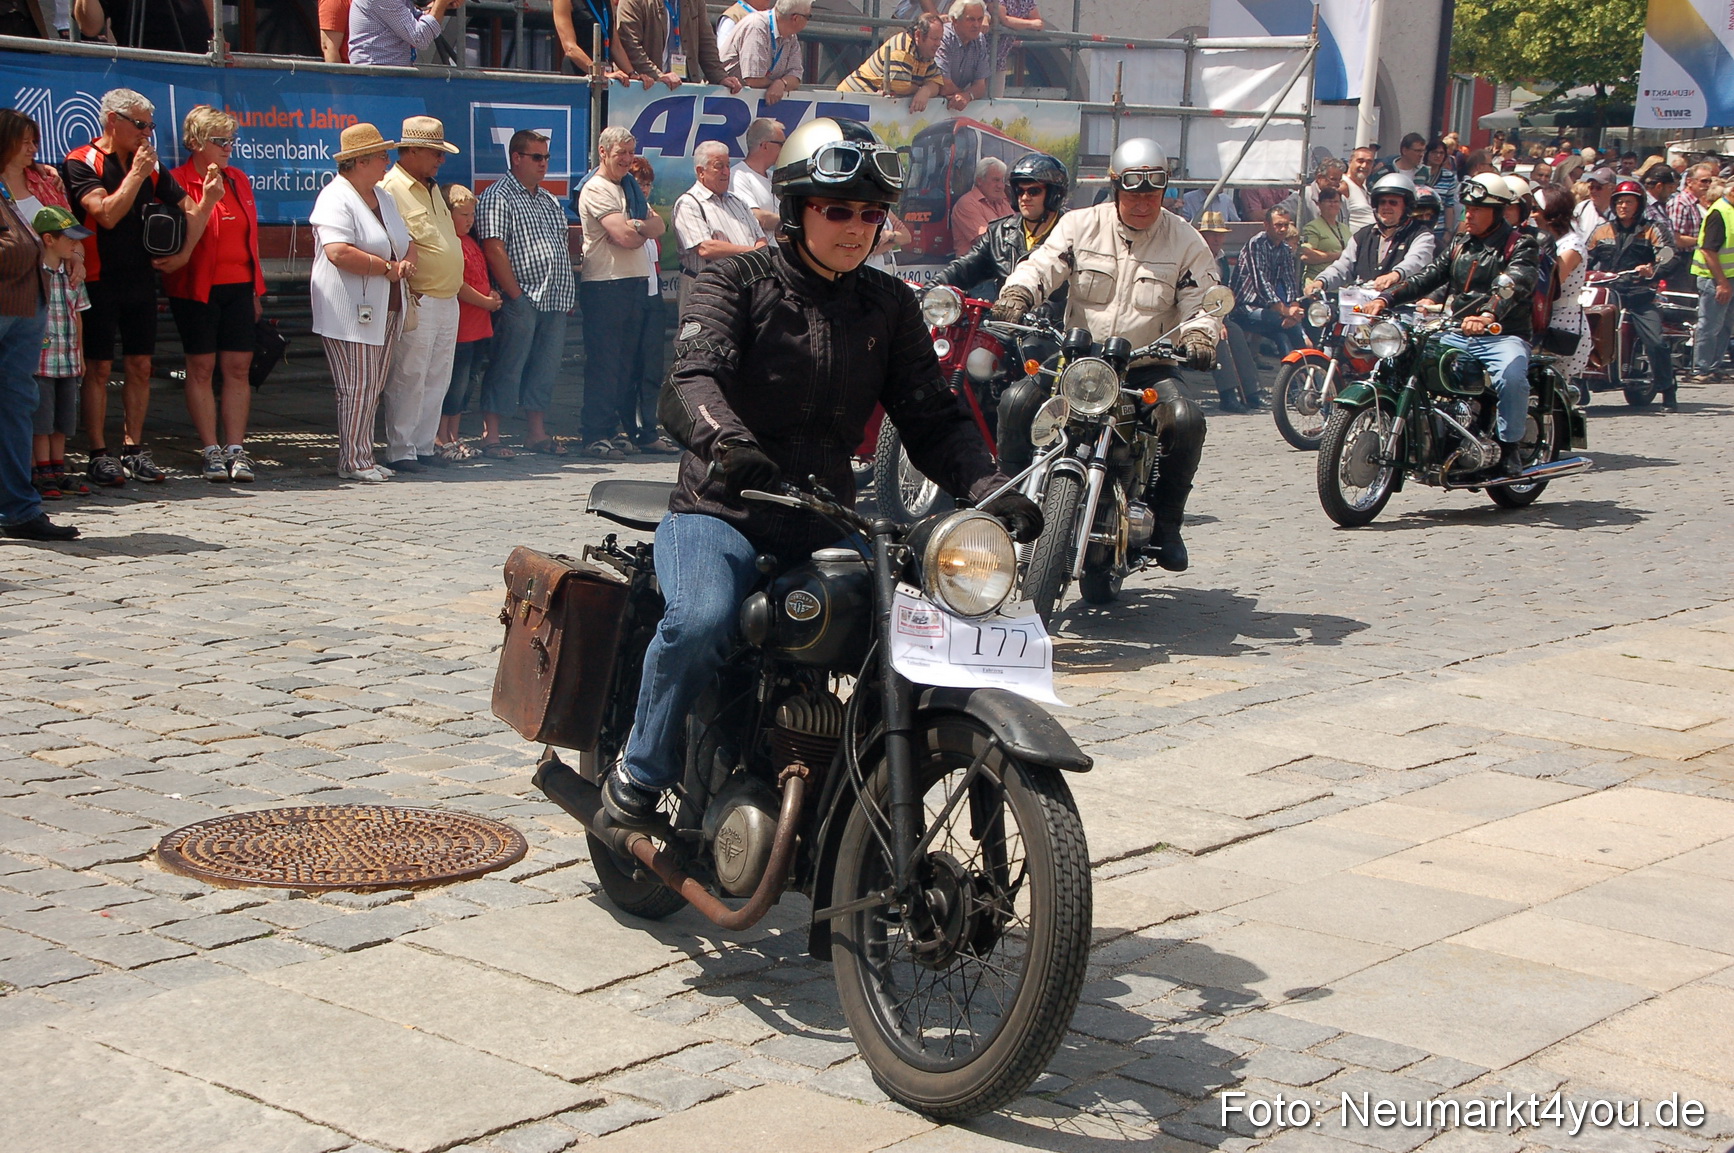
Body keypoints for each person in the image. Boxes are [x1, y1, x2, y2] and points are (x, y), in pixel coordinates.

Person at [599, 117, 1038, 826]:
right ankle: (640, 772)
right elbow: (689, 380)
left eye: (871, 213)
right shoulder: (734, 278)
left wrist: (990, 486)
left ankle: (862, 792)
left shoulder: (889, 304)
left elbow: (930, 415)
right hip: (723, 508)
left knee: (907, 634)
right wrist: (729, 443)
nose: (858, 227)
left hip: (825, 518)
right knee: (701, 617)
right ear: (799, 207)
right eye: (839, 210)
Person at [993, 137, 1221, 573]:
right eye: (1133, 192)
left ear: (1165, 191)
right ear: (1115, 188)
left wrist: (1201, 337)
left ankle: (1166, 524)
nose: (1142, 202)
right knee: (1016, 401)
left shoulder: (1185, 240)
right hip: (1081, 361)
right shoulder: (1080, 224)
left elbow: (1203, 300)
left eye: (1152, 193)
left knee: (1187, 419)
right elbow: (1044, 264)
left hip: (1145, 364)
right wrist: (1019, 292)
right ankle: (1006, 503)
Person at [65, 88, 222, 488]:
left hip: (140, 278)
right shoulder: (82, 160)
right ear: (112, 121)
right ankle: (99, 452)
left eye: (151, 126)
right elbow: (106, 215)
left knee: (140, 365)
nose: (147, 133)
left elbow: (192, 211)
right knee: (98, 367)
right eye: (140, 125)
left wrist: (193, 233)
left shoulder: (150, 167)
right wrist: (135, 174)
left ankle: (133, 448)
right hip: (98, 279)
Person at [1366, 173, 1537, 476]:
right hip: (1456, 330)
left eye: (1477, 209)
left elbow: (1513, 283)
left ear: (1497, 212)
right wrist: (1387, 298)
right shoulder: (1461, 244)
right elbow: (1428, 276)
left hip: (1502, 333)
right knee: (1407, 354)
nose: (1468, 215)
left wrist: (1488, 315)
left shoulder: (1520, 245)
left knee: (1511, 376)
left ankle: (1511, 446)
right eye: (1466, 208)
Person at [940, 152, 1069, 463]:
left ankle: (1028, 457)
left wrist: (1047, 314)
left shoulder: (1071, 232)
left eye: (1033, 191)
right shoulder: (1001, 231)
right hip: (1003, 324)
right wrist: (936, 289)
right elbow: (965, 267)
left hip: (1050, 330)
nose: (1024, 197)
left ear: (1052, 194)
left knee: (1026, 392)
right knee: (961, 357)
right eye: (1019, 190)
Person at [163, 105, 265, 484]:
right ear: (195, 143)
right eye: (219, 141)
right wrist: (208, 196)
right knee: (201, 367)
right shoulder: (177, 180)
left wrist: (256, 289)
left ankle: (236, 448)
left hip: (239, 285)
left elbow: (248, 239)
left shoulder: (237, 178)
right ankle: (209, 450)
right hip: (196, 287)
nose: (228, 148)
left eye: (231, 140)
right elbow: (191, 232)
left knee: (238, 368)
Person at [309, 124, 416, 483]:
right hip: (347, 308)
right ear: (361, 161)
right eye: (383, 156)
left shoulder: (382, 196)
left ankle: (364, 454)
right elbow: (337, 251)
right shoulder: (335, 196)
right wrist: (386, 267)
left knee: (372, 386)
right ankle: (352, 460)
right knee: (355, 386)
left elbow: (404, 237)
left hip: (385, 305)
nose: (388, 162)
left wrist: (404, 262)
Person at [477, 129, 576, 457]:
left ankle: (535, 433)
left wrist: (567, 293)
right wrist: (515, 295)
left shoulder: (548, 199)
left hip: (554, 298)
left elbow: (559, 246)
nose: (544, 164)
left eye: (547, 157)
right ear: (516, 158)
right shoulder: (497, 195)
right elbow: (494, 248)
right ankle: (492, 436)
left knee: (545, 368)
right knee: (507, 364)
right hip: (521, 296)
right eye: (537, 157)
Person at [376, 118, 464, 478]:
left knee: (437, 375)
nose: (440, 160)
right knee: (409, 373)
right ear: (411, 151)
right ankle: (401, 448)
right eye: (434, 153)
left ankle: (423, 444)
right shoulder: (390, 188)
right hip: (419, 297)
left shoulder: (430, 187)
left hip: (447, 296)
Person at [577, 126, 667, 459]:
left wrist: (639, 225)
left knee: (626, 364)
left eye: (631, 153)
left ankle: (613, 429)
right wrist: (640, 226)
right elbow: (624, 237)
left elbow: (659, 228)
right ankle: (594, 433)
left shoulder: (630, 188)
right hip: (606, 283)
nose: (627, 160)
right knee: (604, 362)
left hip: (635, 283)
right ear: (603, 152)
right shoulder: (597, 188)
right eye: (621, 154)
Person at [0, 172, 74, 539]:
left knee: (16, 403)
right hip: (10, 299)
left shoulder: (18, 185)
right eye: (24, 141)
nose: (33, 150)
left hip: (25, 302)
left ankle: (18, 509)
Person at [1587, 180, 1678, 408]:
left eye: (1628, 201)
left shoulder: (1653, 229)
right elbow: (1585, 257)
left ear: (1639, 204)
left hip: (1639, 295)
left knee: (1656, 341)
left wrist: (1651, 269)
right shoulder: (1602, 230)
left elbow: (1670, 258)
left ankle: (1667, 388)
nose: (1623, 206)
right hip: (1607, 293)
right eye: (1619, 201)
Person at [29, 207, 92, 505]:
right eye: (69, 239)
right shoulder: (33, 275)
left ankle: (57, 465)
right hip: (41, 360)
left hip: (67, 359)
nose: (75, 245)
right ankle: (40, 470)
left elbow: (78, 315)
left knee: (64, 419)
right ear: (49, 240)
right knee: (41, 420)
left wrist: (79, 354)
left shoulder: (72, 276)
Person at [435, 183, 501, 460]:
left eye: (472, 215)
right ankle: (441, 438)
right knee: (453, 383)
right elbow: (458, 283)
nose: (469, 220)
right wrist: (485, 301)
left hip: (478, 326)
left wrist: (492, 295)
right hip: (461, 326)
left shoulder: (471, 241)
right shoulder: (450, 243)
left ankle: (454, 435)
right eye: (463, 214)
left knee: (468, 383)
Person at [671, 140, 766, 316]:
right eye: (719, 166)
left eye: (728, 166)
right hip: (706, 289)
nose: (726, 172)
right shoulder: (688, 204)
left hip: (744, 288)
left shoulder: (739, 202)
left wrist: (759, 250)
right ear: (701, 172)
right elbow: (706, 248)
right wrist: (752, 253)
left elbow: (761, 238)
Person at [625, 157, 680, 453]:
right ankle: (628, 428)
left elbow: (658, 231)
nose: (644, 189)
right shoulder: (624, 211)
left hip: (652, 293)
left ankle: (648, 428)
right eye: (638, 182)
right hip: (629, 295)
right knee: (627, 367)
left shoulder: (648, 212)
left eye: (647, 184)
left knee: (651, 366)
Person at [1306, 170, 1435, 296]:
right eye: (1382, 202)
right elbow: (1343, 266)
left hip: (1401, 308)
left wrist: (1396, 275)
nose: (1386, 207)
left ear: (1407, 206)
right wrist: (1321, 282)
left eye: (1393, 202)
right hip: (1361, 309)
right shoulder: (1362, 236)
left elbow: (1416, 260)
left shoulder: (1421, 235)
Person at [1533, 186, 1592, 394]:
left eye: (1536, 209)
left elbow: (1552, 283)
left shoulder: (1571, 245)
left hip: (1562, 324)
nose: (1532, 215)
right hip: (1541, 319)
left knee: (1554, 391)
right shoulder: (1539, 240)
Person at [1231, 206, 1304, 371]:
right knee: (1290, 326)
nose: (1283, 229)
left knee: (1284, 333)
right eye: (1278, 225)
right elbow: (1261, 283)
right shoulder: (1255, 244)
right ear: (1266, 225)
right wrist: (1285, 311)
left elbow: (1290, 280)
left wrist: (1294, 305)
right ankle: (1304, 375)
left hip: (1267, 310)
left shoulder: (1285, 249)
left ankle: (1294, 383)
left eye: (1285, 225)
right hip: (1244, 307)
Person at [612, 0, 742, 92]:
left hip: (686, 87)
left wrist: (720, 77)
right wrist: (658, 76)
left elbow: (706, 42)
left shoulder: (695, 2)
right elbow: (629, 44)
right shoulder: (633, 2)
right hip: (646, 90)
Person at [836, 12, 946, 114]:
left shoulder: (925, 53)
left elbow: (937, 83)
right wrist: (920, 89)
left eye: (940, 39)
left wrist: (926, 91)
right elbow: (900, 86)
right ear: (918, 35)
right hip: (851, 98)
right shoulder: (902, 48)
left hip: (869, 102)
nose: (938, 44)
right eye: (935, 39)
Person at [722, 0, 809, 106]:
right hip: (727, 100)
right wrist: (777, 85)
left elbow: (796, 77)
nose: (808, 21)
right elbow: (753, 79)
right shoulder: (757, 26)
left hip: (751, 103)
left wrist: (781, 83)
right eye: (808, 17)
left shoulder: (791, 36)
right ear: (796, 18)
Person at [1690, 179, 1733, 382]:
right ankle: (1702, 368)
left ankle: (1715, 366)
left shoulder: (1730, 210)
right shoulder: (1719, 212)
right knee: (1709, 324)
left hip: (1728, 277)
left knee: (1725, 325)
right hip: (1714, 279)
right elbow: (1708, 250)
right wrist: (1722, 282)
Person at [347, 0, 463, 66]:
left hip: (395, 79)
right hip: (376, 82)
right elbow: (420, 38)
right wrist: (440, 4)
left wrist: (440, 5)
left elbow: (414, 21)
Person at [730, 117, 784, 233]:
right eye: (781, 144)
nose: (784, 149)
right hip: (759, 250)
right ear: (765, 145)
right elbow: (755, 217)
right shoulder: (737, 175)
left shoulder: (774, 177)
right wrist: (792, 222)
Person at [935, 0, 992, 109]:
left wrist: (967, 96)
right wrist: (965, 96)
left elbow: (980, 86)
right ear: (955, 20)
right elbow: (943, 84)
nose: (976, 25)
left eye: (980, 19)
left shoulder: (980, 39)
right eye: (971, 19)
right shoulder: (943, 36)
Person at [948, 156, 1009, 248]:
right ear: (979, 180)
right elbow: (987, 240)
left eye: (1002, 181)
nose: (1000, 186)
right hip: (978, 262)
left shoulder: (1002, 203)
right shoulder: (967, 204)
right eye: (996, 180)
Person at [1298, 186, 1350, 280]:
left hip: (1342, 283)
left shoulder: (1345, 229)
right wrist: (1340, 255)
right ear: (1320, 204)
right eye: (1329, 201)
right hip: (1318, 281)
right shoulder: (1312, 227)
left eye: (1336, 202)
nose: (1332, 204)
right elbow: (1307, 256)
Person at [1670, 162, 1717, 265]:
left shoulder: (1694, 203)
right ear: (1689, 182)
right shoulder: (1681, 203)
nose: (1707, 185)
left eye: (1710, 181)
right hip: (1681, 259)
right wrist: (1703, 239)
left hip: (1692, 257)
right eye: (1704, 181)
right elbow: (1676, 239)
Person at [1572, 168, 1615, 244]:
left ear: (1612, 188)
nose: (1593, 191)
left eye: (1598, 188)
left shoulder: (1618, 212)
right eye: (1591, 187)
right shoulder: (1582, 208)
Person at [1342, 145, 1376, 231]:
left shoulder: (1364, 187)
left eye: (1369, 162)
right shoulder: (1343, 184)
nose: (1364, 166)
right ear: (1350, 162)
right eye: (1360, 161)